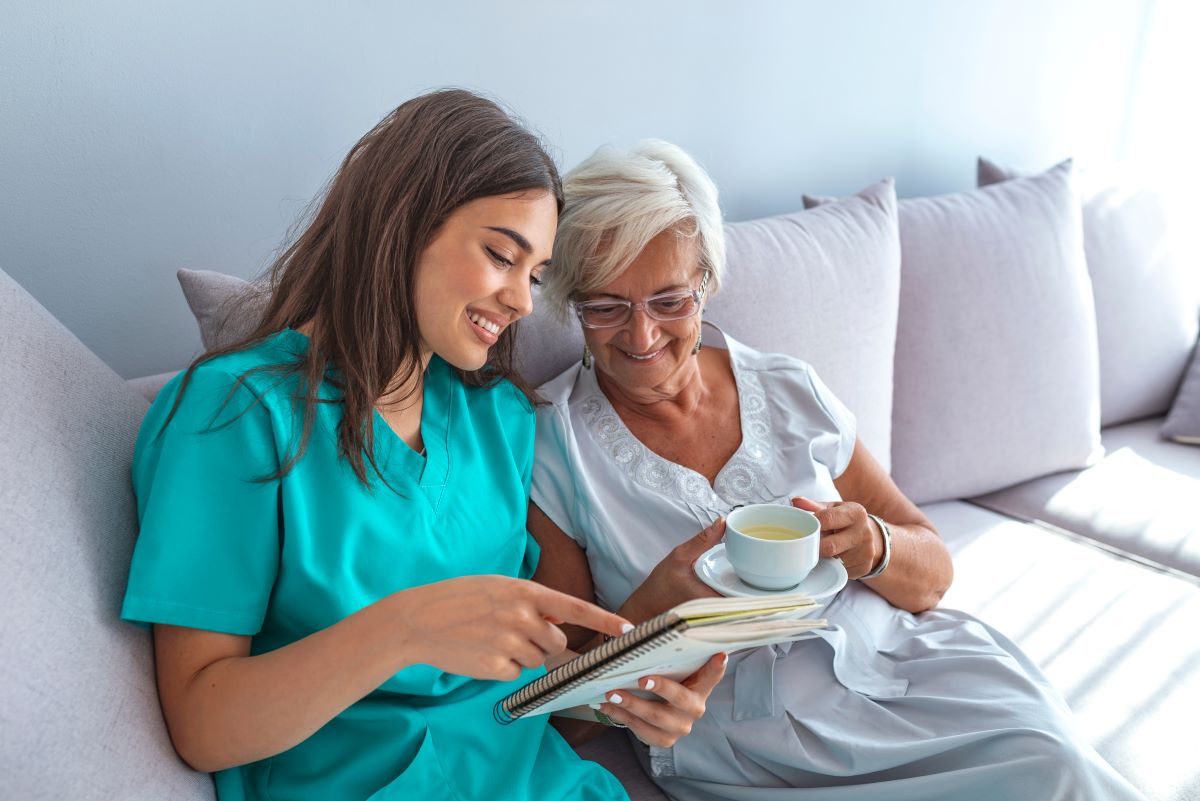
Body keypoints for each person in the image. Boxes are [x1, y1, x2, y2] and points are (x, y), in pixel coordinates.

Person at [120, 92, 724, 801]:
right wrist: (402, 629)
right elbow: (201, 722)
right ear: (404, 223)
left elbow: (513, 693)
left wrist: (621, 698)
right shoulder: (236, 414)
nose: (525, 302)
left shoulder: (498, 415)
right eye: (502, 255)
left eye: (534, 276)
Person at [528, 139, 1147, 800]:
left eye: (670, 301)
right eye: (605, 307)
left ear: (706, 282)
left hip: (903, 666)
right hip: (758, 741)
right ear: (571, 302)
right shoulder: (554, 446)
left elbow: (932, 571)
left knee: (1052, 757)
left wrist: (873, 545)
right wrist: (653, 610)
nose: (643, 336)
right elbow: (564, 712)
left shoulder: (788, 388)